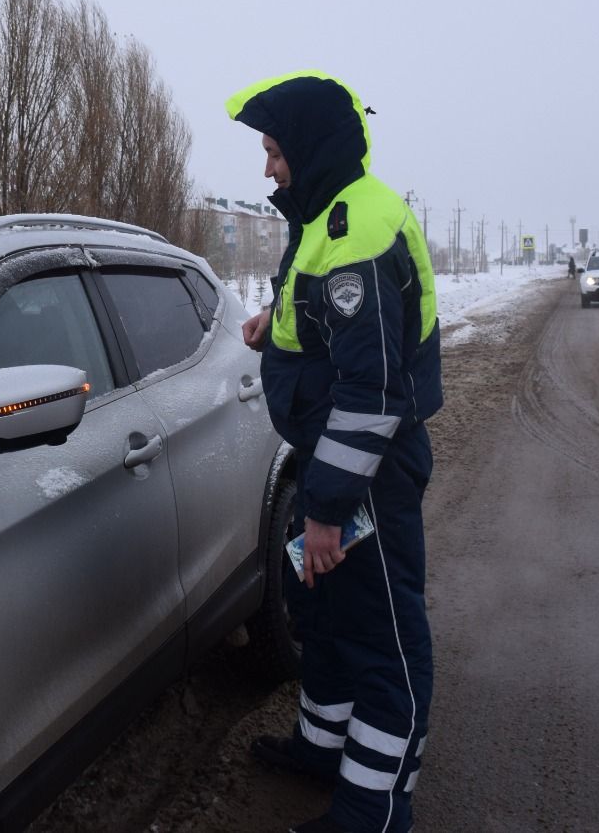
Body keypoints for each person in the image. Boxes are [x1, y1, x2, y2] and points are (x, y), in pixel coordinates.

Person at [230, 71, 442, 833]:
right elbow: (324, 313)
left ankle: (374, 809)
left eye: (276, 152)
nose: (268, 169)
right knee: (320, 615)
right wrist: (270, 320)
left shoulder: (358, 231)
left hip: (364, 477)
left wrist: (326, 510)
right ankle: (323, 748)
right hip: (330, 469)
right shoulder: (324, 217)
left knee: (382, 637)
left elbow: (374, 391)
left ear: (310, 148)